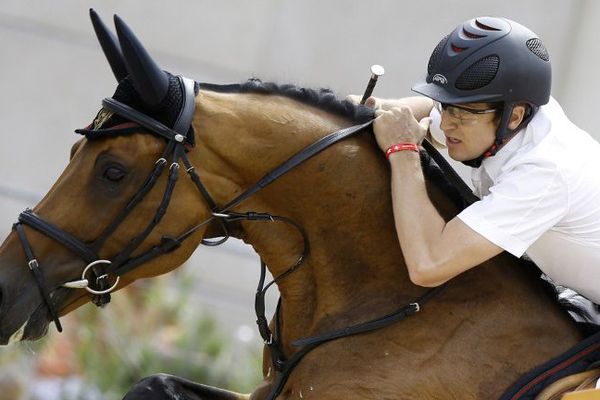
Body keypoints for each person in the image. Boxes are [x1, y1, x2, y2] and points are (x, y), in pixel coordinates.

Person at [357, 16, 600, 307]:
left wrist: (404, 150)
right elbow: (420, 115)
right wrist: (376, 109)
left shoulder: (547, 171)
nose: (445, 124)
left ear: (514, 116)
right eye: (444, 106)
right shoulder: (510, 114)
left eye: (462, 113)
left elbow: (429, 265)